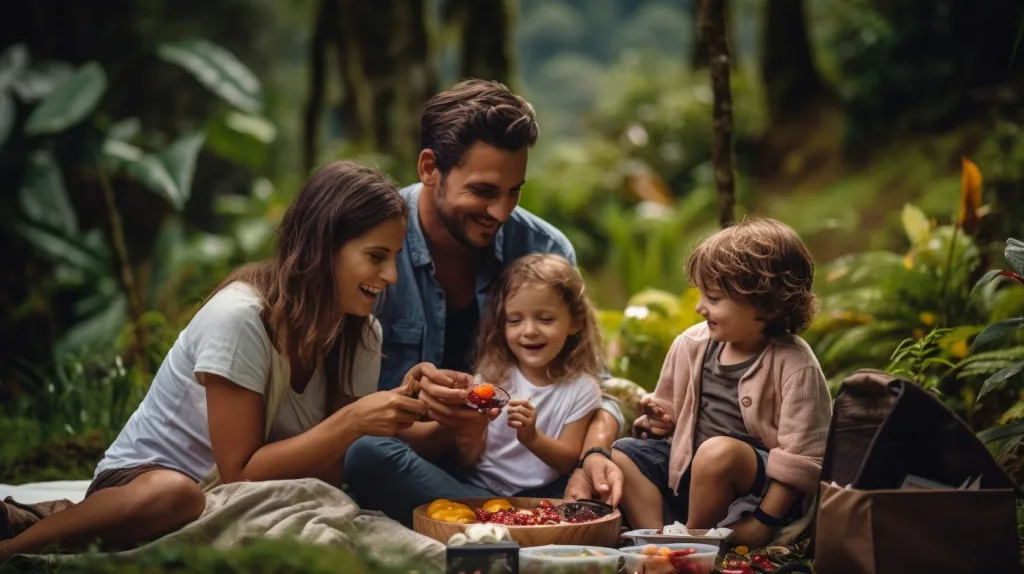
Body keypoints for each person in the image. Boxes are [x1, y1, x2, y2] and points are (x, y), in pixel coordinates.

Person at [0, 161, 460, 557]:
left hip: (243, 496)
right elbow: (240, 470)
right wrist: (356, 421)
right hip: (149, 487)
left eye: (396, 258)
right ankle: (16, 550)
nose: (392, 276)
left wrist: (424, 412)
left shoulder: (361, 332)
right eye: (376, 257)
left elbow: (334, 456)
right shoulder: (241, 318)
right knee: (175, 495)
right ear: (323, 249)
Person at [343, 79, 624, 524]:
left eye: (515, 191)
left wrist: (594, 451)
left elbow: (596, 384)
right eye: (484, 191)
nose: (501, 212)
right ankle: (523, 524)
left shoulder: (544, 247)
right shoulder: (371, 248)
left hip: (531, 472)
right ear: (430, 167)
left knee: (645, 457)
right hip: (418, 459)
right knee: (367, 454)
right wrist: (423, 410)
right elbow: (339, 406)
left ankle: (491, 520)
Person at [607, 217, 833, 549]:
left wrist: (763, 522)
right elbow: (668, 410)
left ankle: (690, 543)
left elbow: (805, 459)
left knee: (718, 452)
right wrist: (659, 422)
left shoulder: (795, 365)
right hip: (690, 479)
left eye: (713, 298)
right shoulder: (691, 345)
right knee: (622, 453)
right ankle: (657, 542)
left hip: (761, 495)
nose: (699, 307)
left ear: (766, 304)